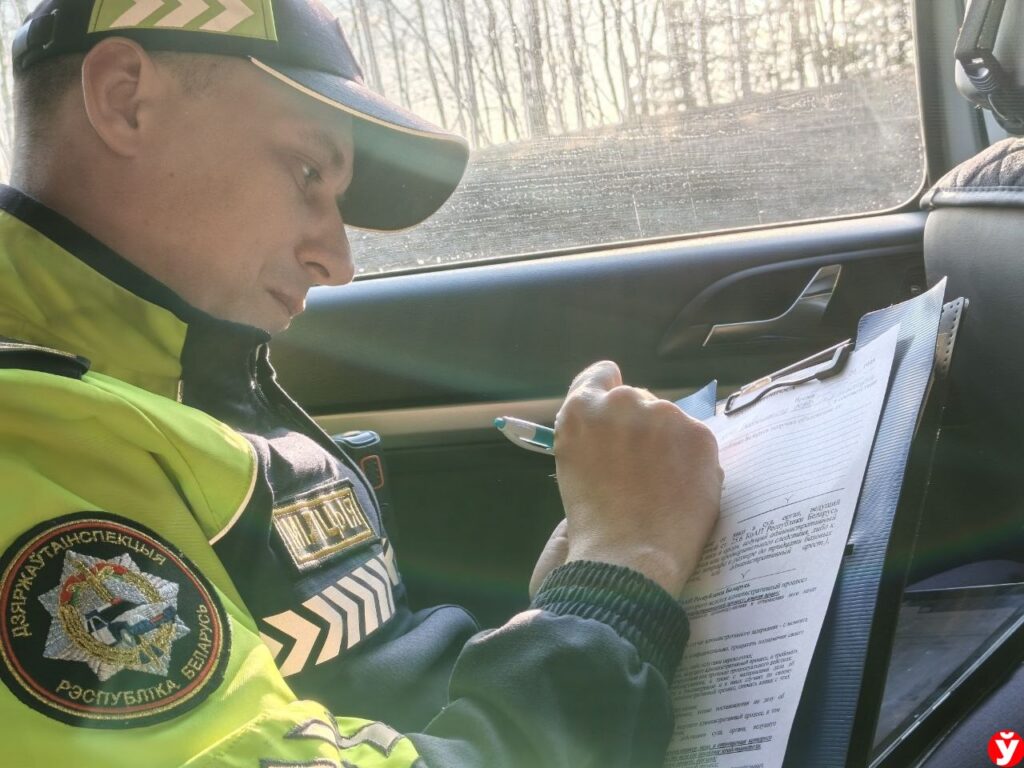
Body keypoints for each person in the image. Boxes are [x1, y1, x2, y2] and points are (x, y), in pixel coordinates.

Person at [0, 0, 723, 765]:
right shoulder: (32, 448)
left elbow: (361, 686)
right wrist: (615, 584)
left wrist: (559, 621)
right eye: (308, 172)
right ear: (125, 99)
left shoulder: (189, 383)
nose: (338, 262)